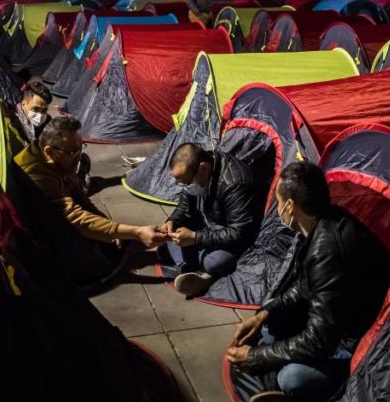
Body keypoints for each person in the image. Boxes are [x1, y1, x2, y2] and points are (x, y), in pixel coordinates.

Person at [226, 163, 390, 402]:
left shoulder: (327, 249)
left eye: (279, 202)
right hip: (331, 319)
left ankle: (290, 388)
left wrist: (257, 357)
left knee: (291, 378)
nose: (278, 209)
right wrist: (263, 314)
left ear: (290, 206)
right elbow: (305, 287)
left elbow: (320, 339)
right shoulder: (323, 223)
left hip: (350, 342)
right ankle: (276, 376)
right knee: (271, 316)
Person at [14, 116, 165, 248]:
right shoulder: (35, 173)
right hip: (37, 227)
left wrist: (109, 226)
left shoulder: (59, 159)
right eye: (73, 151)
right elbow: (74, 216)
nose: (78, 156)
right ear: (49, 152)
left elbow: (77, 195)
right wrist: (135, 232)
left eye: (81, 148)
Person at [157, 143, 261, 297]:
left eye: (186, 182)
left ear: (203, 168)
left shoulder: (234, 183)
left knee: (216, 261)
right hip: (206, 229)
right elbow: (185, 205)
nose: (184, 186)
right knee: (170, 237)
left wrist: (195, 237)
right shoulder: (196, 175)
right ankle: (191, 272)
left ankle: (195, 271)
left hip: (228, 240)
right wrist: (172, 221)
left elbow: (239, 233)